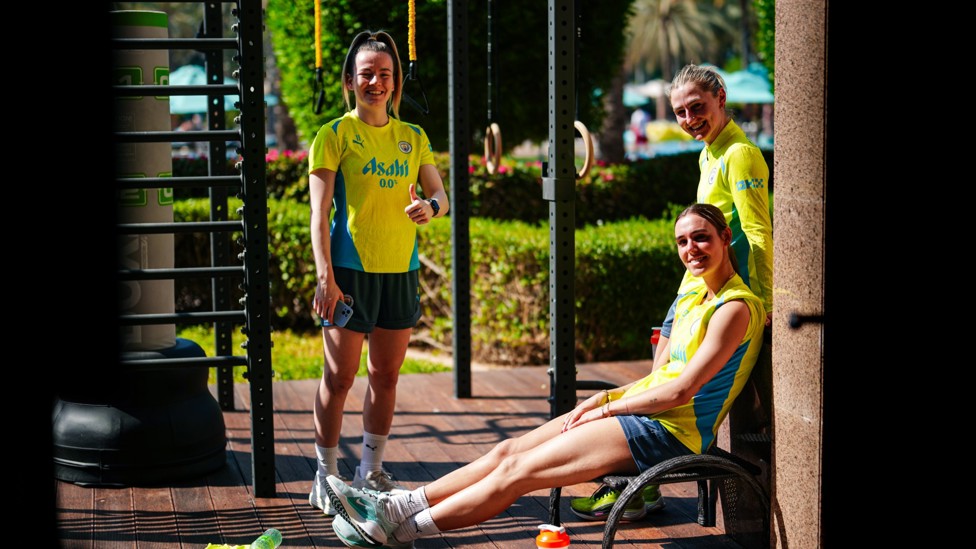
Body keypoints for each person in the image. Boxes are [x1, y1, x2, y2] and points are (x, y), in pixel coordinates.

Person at [322, 203, 766, 548]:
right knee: (507, 449)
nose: (691, 249)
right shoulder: (693, 298)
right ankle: (397, 506)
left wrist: (607, 403)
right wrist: (606, 400)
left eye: (702, 239)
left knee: (518, 470)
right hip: (644, 416)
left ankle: (400, 531)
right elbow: (661, 376)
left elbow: (684, 388)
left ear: (726, 238)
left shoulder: (734, 308)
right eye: (683, 242)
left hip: (670, 432)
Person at [306, 30, 450, 519]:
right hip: (349, 272)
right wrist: (325, 276)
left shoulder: (414, 137)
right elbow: (318, 213)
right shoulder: (334, 135)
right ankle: (325, 475)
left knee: (385, 376)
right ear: (350, 80)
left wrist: (429, 207)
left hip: (400, 271)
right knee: (339, 377)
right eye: (366, 73)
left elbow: (441, 197)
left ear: (395, 82)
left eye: (384, 75)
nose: (376, 82)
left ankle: (371, 470)